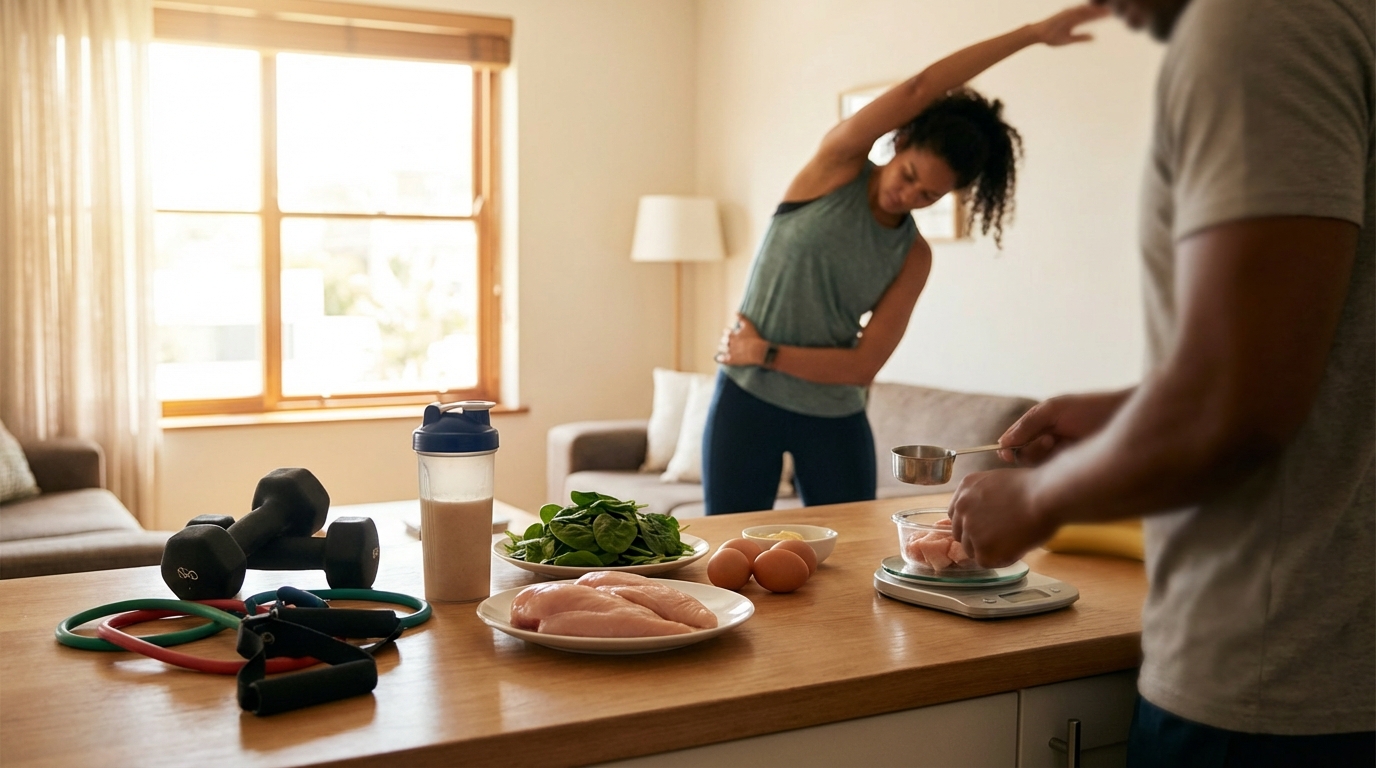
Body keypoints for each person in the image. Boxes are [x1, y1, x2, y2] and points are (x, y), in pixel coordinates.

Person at [946, 0, 1374, 764]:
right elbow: (1325, 358)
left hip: (1275, 684)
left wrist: (1039, 500)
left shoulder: (1265, 23)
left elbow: (1238, 407)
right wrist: (1135, 410)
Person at [705, 5, 1107, 516]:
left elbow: (862, 366)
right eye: (910, 174)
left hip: (831, 415)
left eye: (930, 194)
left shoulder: (913, 256)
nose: (910, 193)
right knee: (726, 552)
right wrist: (1030, 34)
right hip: (747, 401)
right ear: (897, 143)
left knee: (850, 562)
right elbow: (920, 87)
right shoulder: (835, 167)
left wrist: (763, 352)